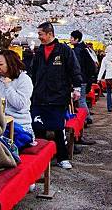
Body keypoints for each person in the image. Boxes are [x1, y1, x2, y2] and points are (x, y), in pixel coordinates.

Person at [30, 22, 82, 170]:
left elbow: (74, 69)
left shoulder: (64, 50)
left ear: (49, 34)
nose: (39, 37)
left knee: (58, 128)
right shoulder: (39, 51)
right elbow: (34, 72)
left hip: (58, 96)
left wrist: (77, 88)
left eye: (40, 34)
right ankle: (40, 159)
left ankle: (62, 157)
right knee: (38, 128)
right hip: (39, 96)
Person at [0, 50, 34, 137]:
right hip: (0, 125)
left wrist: (8, 86)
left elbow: (19, 104)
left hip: (20, 126)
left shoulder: (24, 79)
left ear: (11, 63)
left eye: (1, 64)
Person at [70, 30, 97, 125]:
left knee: (81, 100)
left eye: (72, 38)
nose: (70, 40)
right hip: (86, 77)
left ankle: (86, 118)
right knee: (82, 99)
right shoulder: (84, 49)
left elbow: (77, 66)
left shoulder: (78, 51)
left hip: (81, 78)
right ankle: (87, 116)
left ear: (77, 39)